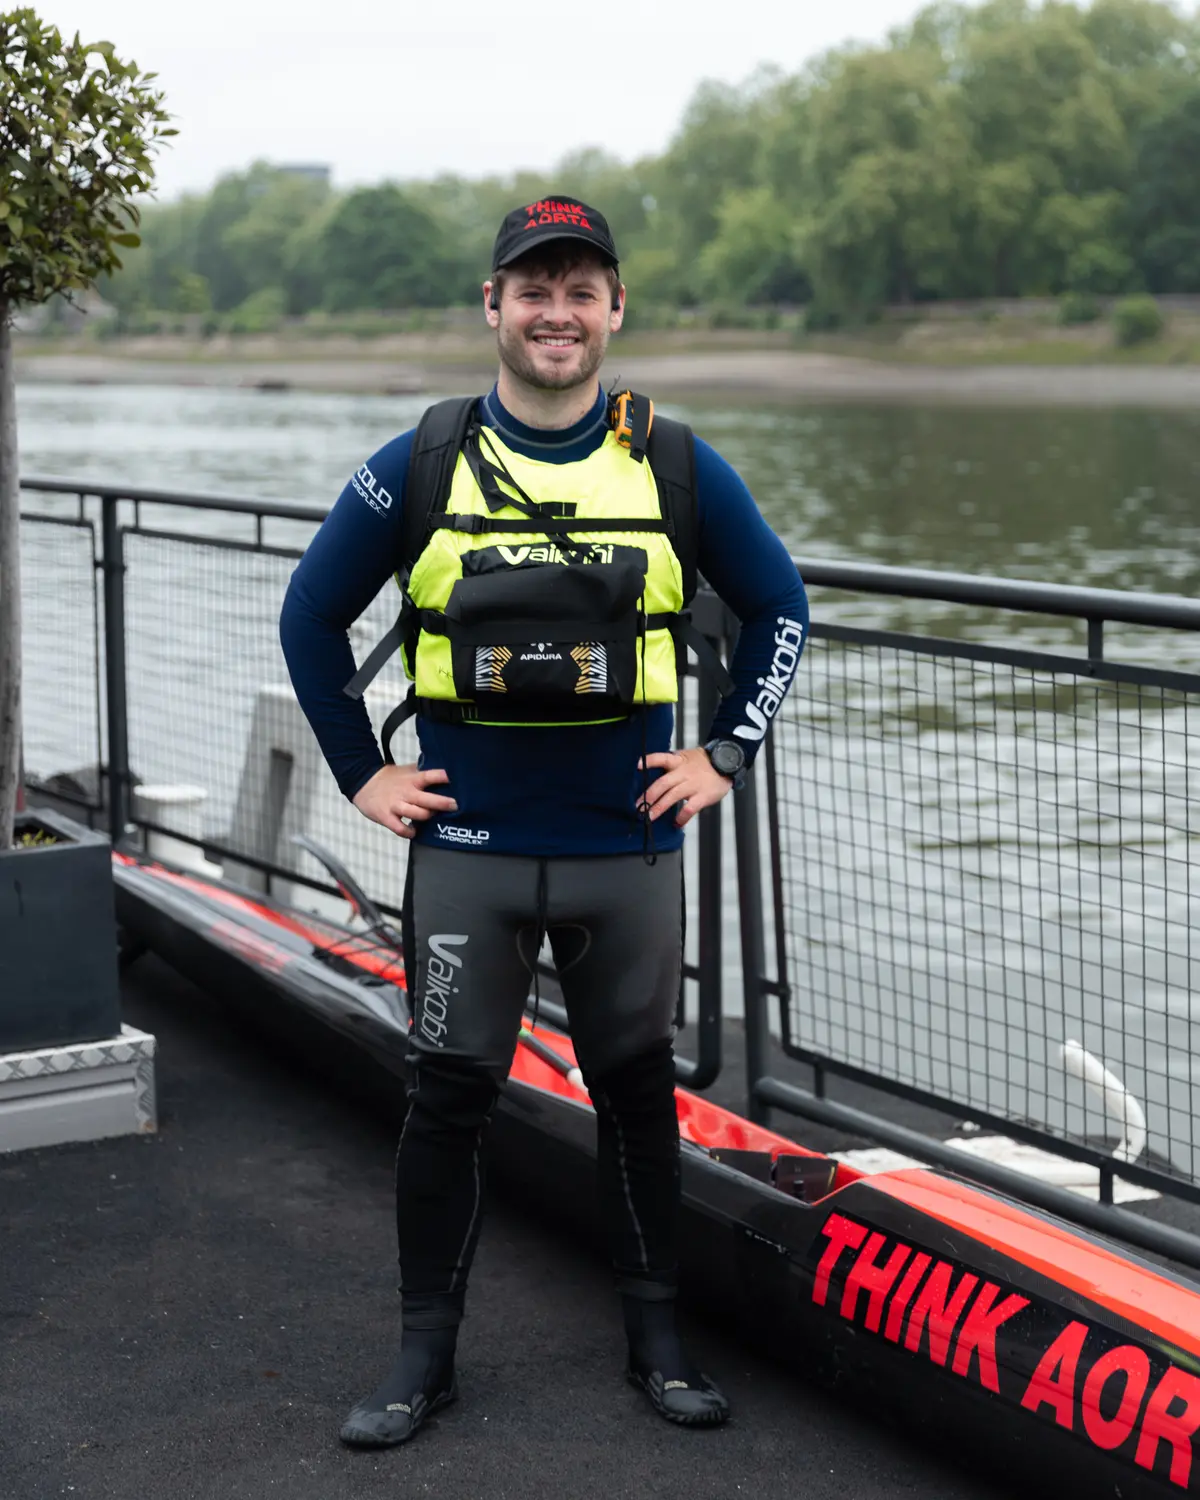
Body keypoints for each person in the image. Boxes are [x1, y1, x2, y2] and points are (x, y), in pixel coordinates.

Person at [279, 195, 809, 1448]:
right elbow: (310, 616)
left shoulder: (676, 464)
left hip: (623, 853)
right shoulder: (418, 460)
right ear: (494, 308)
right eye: (534, 288)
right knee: (446, 1100)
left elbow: (781, 609)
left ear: (616, 308)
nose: (557, 312)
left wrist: (726, 752)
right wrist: (363, 775)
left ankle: (657, 1343)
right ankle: (423, 1360)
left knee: (636, 1099)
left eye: (581, 289)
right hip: (468, 854)